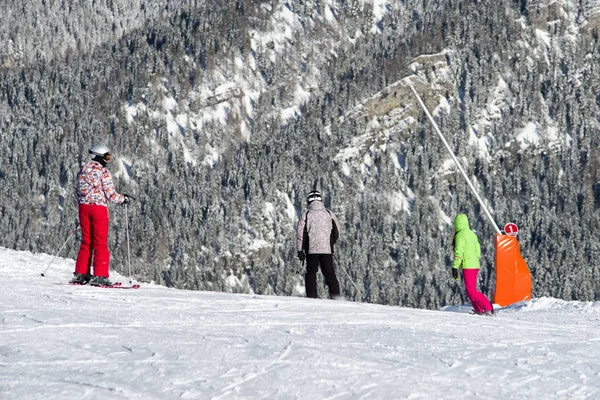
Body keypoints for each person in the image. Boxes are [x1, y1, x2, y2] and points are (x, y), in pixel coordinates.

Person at [71, 144, 133, 286]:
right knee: (100, 242)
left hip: (83, 208)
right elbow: (110, 195)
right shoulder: (103, 172)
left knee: (86, 241)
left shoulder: (82, 171)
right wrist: (123, 199)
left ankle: (81, 274)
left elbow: (77, 190)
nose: (107, 160)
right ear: (98, 157)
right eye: (106, 157)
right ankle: (100, 275)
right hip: (98, 209)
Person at [296, 190, 341, 299]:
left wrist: (300, 250)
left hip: (311, 250)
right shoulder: (329, 214)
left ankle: (312, 297)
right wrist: (330, 243)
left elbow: (300, 234)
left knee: (311, 273)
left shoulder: (306, 214)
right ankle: (336, 297)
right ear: (321, 200)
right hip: (327, 250)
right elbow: (337, 231)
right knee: (330, 273)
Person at [451, 213, 494, 315]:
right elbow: (477, 248)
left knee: (471, 291)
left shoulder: (460, 235)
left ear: (457, 224)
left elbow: (458, 252)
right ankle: (479, 310)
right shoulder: (472, 234)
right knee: (470, 290)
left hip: (468, 265)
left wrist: (455, 267)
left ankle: (488, 308)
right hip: (474, 264)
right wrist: (475, 258)